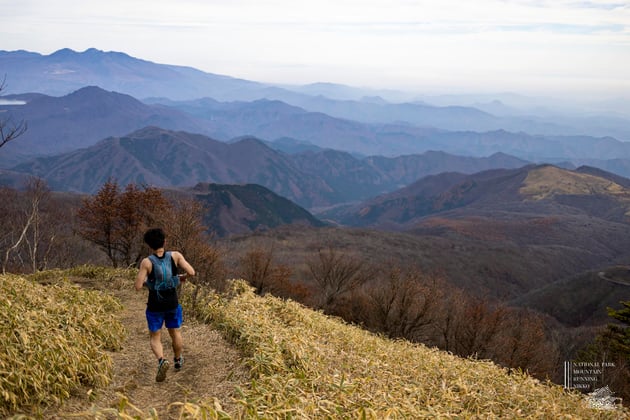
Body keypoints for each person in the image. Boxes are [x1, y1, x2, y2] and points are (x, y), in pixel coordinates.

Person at [135, 227, 195, 382]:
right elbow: (192, 272)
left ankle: (162, 360)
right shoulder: (175, 256)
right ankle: (177, 359)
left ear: (149, 245)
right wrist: (179, 278)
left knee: (155, 337)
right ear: (164, 241)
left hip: (155, 305)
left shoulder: (147, 262)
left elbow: (138, 286)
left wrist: (152, 283)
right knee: (175, 332)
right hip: (172, 303)